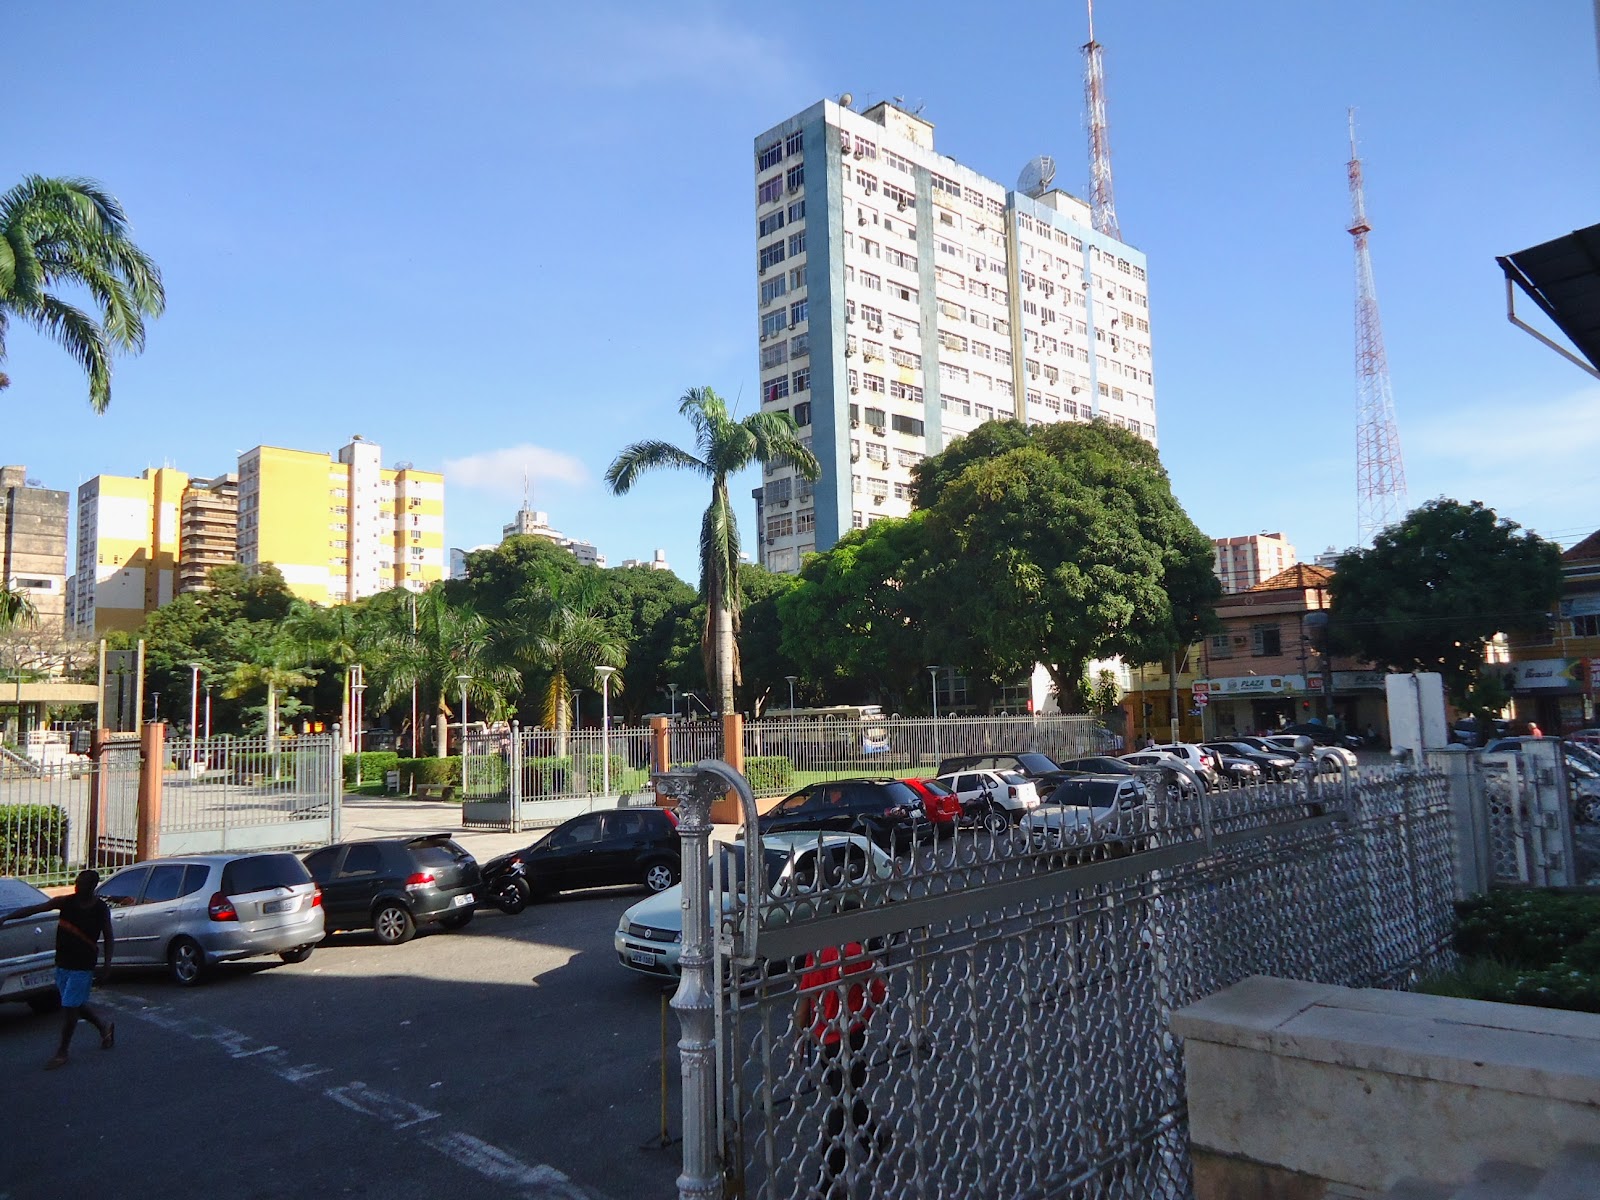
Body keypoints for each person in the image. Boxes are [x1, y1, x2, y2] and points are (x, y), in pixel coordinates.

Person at [796, 939, 887, 1196]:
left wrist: (799, 1041)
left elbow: (804, 1003)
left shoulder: (815, 954)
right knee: (846, 1098)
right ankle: (874, 1140)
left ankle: (829, 1178)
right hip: (853, 1035)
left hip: (826, 1040)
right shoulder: (857, 953)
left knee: (841, 1103)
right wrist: (864, 1015)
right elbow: (878, 992)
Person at [1, 869, 116, 1069]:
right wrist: (7, 917)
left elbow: (108, 936)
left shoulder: (100, 908)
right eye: (77, 882)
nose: (77, 886)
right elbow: (36, 909)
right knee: (73, 1003)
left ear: (92, 887)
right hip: (63, 962)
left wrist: (107, 964)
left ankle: (62, 1051)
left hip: (83, 964)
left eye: (82, 883)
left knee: (70, 1007)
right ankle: (103, 1027)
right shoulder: (66, 902)